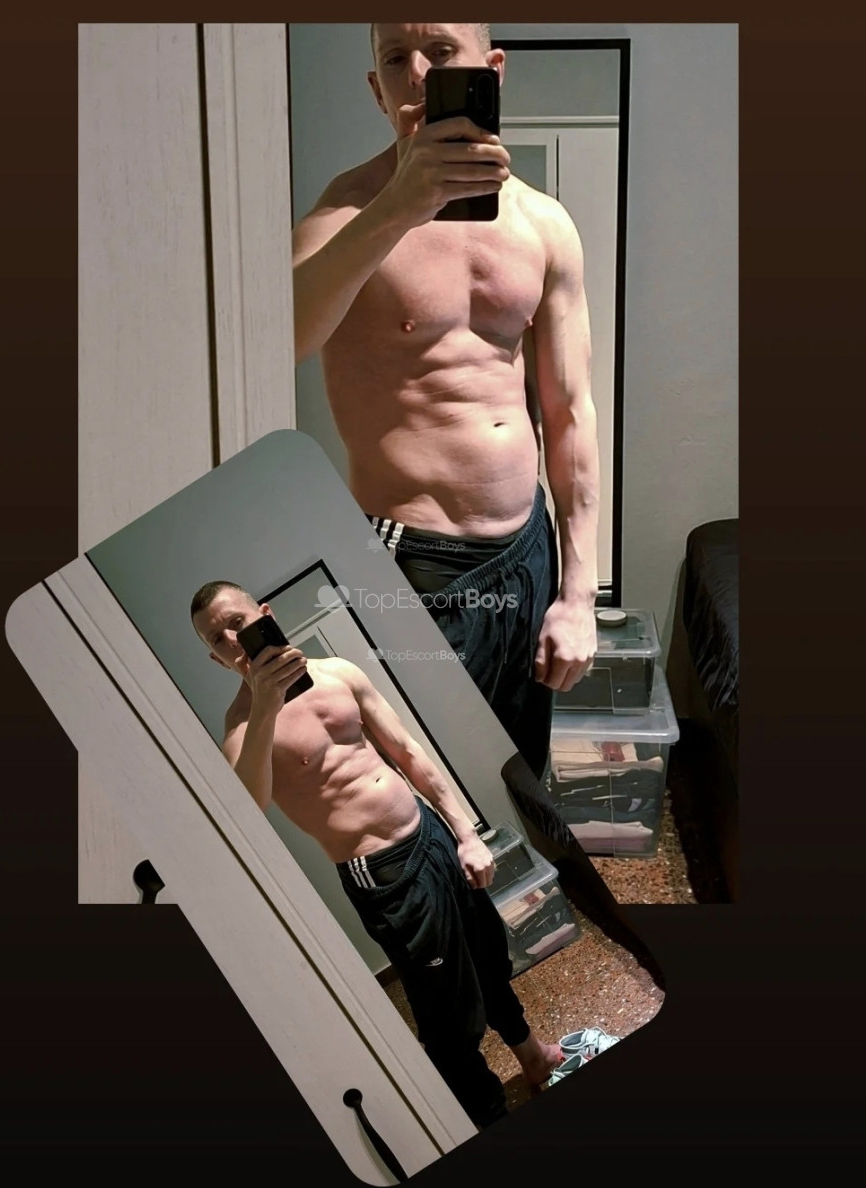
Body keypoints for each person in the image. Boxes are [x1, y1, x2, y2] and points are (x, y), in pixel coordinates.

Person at [291, 22, 601, 782]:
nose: (419, 74)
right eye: (395, 58)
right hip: (412, 561)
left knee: (517, 776)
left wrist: (578, 593)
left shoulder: (544, 223)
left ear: (490, 69)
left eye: (440, 52)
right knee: (423, 784)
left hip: (525, 548)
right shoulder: (346, 213)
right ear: (376, 88)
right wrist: (398, 206)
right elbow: (274, 340)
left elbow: (570, 412)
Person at [190, 580, 565, 1128]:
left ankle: (532, 1057)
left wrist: (464, 832)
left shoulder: (339, 674)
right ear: (216, 659)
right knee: (447, 1012)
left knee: (487, 954)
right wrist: (266, 706)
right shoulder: (242, 729)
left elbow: (408, 752)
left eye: (236, 622)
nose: (231, 639)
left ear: (264, 614)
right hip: (385, 876)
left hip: (430, 834)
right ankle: (485, 1115)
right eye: (216, 639)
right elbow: (248, 808)